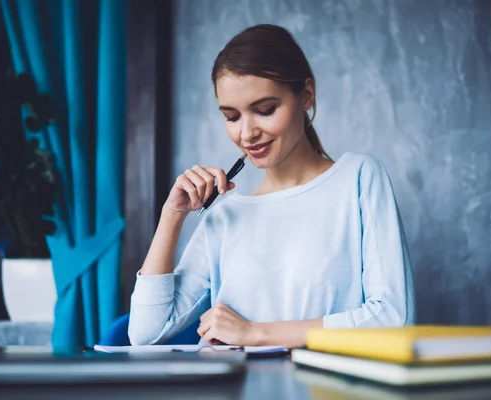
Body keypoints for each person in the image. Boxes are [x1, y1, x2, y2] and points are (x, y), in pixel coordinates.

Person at [129, 24, 414, 348]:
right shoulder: (224, 216)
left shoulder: (359, 178)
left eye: (264, 110)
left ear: (306, 95)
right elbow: (145, 333)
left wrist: (256, 333)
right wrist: (172, 215)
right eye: (232, 116)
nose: (247, 133)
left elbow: (393, 319)